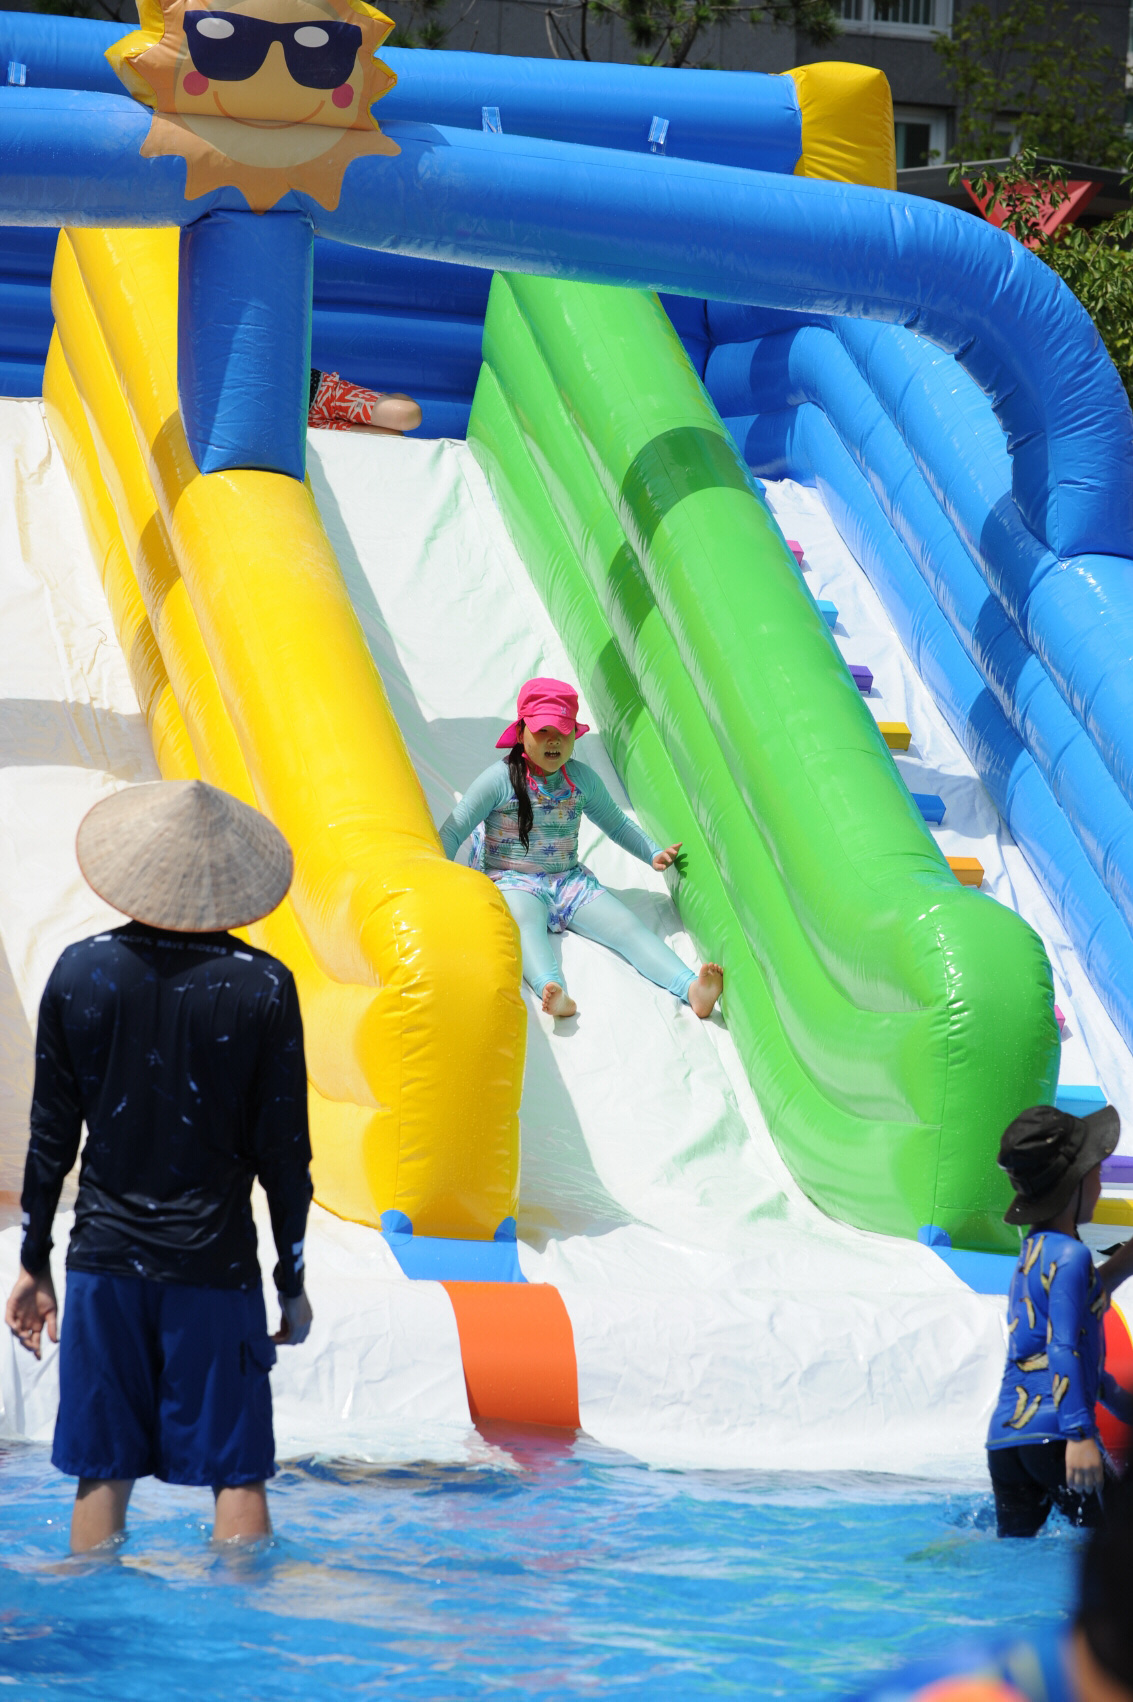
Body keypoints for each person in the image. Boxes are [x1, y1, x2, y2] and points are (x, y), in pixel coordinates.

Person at [4, 780, 314, 1554]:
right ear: (233, 881)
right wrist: (291, 1280)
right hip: (215, 1266)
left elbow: (50, 1136)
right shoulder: (263, 985)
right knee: (237, 1475)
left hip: (105, 1264)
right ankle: (239, 1632)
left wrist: (35, 1262)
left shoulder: (80, 971)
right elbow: (286, 1156)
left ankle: (91, 1627)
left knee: (101, 1473)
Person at [439, 677, 724, 1021]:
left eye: (563, 731)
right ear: (521, 732)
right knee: (525, 925)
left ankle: (691, 988)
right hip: (512, 877)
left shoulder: (581, 780)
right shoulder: (500, 779)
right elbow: (456, 826)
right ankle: (552, 988)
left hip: (568, 880)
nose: (554, 740)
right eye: (543, 731)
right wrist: (434, 873)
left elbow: (616, 824)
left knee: (627, 926)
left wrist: (652, 852)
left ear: (575, 735)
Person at [985, 1102, 1133, 1539]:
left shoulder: (1034, 1253)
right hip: (1059, 1436)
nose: (1101, 1183)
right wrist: (1080, 1435)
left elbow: (1083, 1310)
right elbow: (1063, 1347)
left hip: (1008, 1440)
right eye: (1097, 1172)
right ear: (1073, 1185)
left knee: (1015, 1551)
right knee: (1115, 1547)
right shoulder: (1072, 1255)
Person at [307, 368, 422, 435]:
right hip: (307, 430)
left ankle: (380, 399)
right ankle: (369, 411)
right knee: (394, 439)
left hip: (321, 393)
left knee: (408, 415)